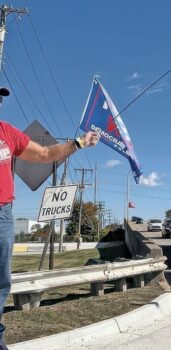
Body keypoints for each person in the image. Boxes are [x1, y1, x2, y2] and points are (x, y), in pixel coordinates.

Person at [0, 87, 100, 350]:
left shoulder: (7, 132)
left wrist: (78, 143)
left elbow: (44, 155)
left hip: (2, 213)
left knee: (1, 280)